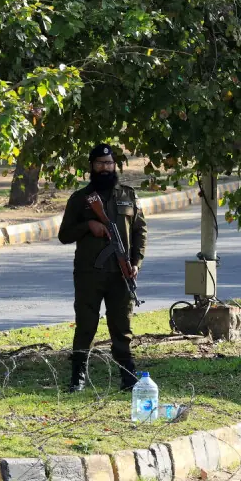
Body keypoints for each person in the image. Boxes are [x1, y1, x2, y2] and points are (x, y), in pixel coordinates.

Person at [58, 144, 147, 392]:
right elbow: (64, 235)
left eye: (109, 164)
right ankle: (78, 377)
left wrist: (136, 264)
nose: (105, 168)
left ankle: (128, 377)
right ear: (91, 166)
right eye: (100, 163)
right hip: (89, 274)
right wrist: (88, 225)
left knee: (121, 326)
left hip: (121, 274)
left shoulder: (128, 195)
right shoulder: (80, 199)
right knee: (86, 325)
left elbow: (140, 231)